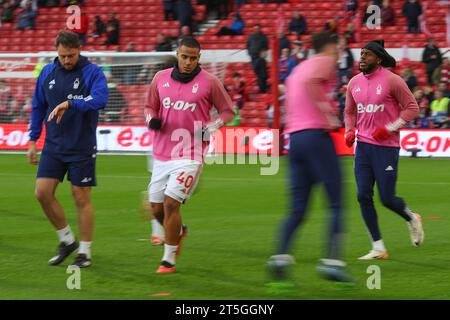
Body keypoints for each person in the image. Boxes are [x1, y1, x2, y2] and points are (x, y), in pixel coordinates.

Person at [144, 36, 234, 273]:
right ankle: (179, 230)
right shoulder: (160, 78)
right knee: (156, 209)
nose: (188, 62)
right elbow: (149, 106)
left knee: (171, 203)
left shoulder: (210, 82)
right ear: (177, 54)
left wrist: (212, 127)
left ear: (198, 58)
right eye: (184, 57)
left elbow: (227, 112)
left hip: (191, 152)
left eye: (193, 58)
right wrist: (150, 119)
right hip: (162, 152)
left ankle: (169, 258)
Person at [267, 32, 352, 283]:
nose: (339, 53)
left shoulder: (297, 69)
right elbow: (314, 83)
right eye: (337, 47)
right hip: (316, 137)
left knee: (297, 209)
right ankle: (333, 263)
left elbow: (289, 93)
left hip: (296, 141)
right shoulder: (325, 61)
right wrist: (328, 115)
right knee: (336, 203)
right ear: (330, 47)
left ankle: (280, 258)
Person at [28, 31, 109, 268]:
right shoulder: (46, 73)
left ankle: (84, 252)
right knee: (42, 192)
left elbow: (101, 99)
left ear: (79, 50)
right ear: (57, 52)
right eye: (63, 56)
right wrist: (33, 140)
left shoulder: (92, 72)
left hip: (81, 145)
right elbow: (38, 107)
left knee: (80, 196)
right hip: (53, 145)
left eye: (71, 55)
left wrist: (71, 103)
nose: (67, 60)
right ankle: (66, 239)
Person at [344, 39, 424, 260]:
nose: (362, 57)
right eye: (361, 53)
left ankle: (412, 218)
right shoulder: (354, 83)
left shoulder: (393, 80)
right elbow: (350, 111)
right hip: (363, 147)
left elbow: (412, 108)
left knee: (387, 198)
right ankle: (378, 247)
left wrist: (389, 128)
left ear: (378, 58)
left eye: (367, 54)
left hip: (386, 148)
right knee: (363, 196)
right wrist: (349, 131)